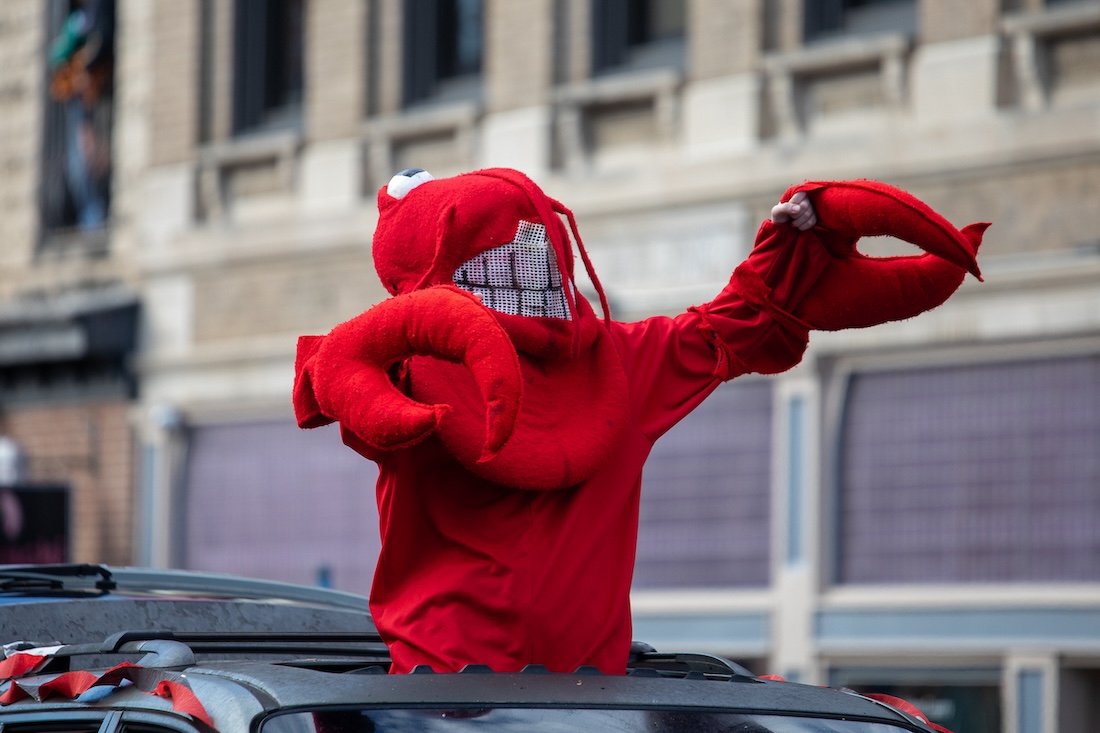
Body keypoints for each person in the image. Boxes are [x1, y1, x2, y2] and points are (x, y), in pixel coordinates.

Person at [294, 168, 983, 675]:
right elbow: (732, 324)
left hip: (547, 700)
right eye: (510, 257)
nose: (527, 271)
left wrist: (788, 253)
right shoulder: (418, 363)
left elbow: (731, 323)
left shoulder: (616, 361)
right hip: (455, 703)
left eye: (533, 254)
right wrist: (784, 265)